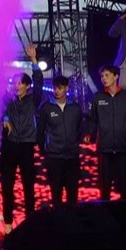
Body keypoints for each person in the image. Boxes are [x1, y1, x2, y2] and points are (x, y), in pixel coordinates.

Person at [0, 44, 44, 233]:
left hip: (26, 146)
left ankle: (30, 222)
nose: (17, 86)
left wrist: (33, 59)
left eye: (20, 83)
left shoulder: (33, 100)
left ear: (26, 85)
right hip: (9, 146)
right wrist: (4, 118)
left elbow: (39, 81)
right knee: (7, 186)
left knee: (28, 186)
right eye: (14, 83)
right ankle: (8, 224)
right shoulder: (7, 100)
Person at [85, 64, 126, 201]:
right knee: (105, 189)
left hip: (123, 149)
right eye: (102, 76)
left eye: (107, 75)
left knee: (124, 188)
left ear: (116, 76)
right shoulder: (98, 98)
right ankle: (105, 213)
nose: (103, 78)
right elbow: (93, 120)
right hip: (105, 149)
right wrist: (89, 133)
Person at [37, 74, 84, 207]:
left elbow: (80, 128)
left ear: (66, 88)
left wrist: (75, 145)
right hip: (54, 157)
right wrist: (45, 150)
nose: (56, 91)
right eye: (55, 88)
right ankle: (57, 219)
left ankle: (72, 219)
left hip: (72, 157)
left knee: (72, 196)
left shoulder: (75, 108)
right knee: (56, 195)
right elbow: (40, 131)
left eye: (60, 88)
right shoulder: (46, 108)